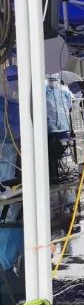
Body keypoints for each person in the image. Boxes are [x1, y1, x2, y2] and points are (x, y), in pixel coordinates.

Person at [0, 66, 21, 272]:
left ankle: (8, 260)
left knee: (10, 213)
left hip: (11, 174)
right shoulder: (4, 104)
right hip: (6, 172)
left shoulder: (16, 104)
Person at [45, 74, 74, 178]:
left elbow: (69, 104)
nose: (53, 82)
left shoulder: (64, 91)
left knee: (57, 149)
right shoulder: (44, 90)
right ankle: (54, 173)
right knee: (52, 149)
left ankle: (55, 172)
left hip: (62, 127)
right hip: (51, 127)